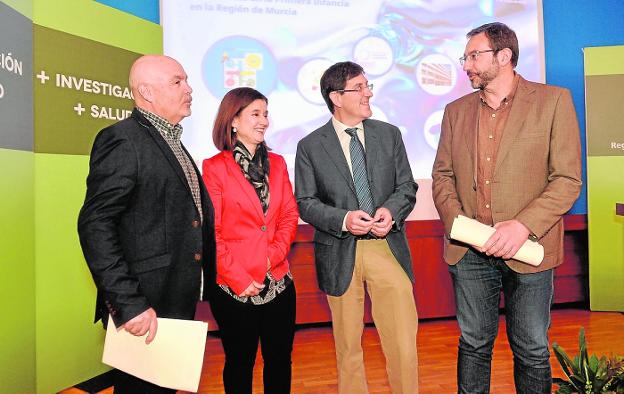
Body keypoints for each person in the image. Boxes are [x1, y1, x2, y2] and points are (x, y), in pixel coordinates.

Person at [431, 22, 582, 393]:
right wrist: (459, 224)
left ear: (504, 56)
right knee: (473, 345)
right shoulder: (455, 111)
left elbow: (567, 181)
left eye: (473, 56)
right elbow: (442, 176)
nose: (465, 65)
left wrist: (521, 226)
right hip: (469, 252)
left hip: (529, 248)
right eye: (464, 57)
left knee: (531, 348)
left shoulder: (553, 101)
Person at [77, 55, 216, 393]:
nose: (190, 89)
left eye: (186, 80)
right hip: (145, 305)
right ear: (146, 92)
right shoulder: (122, 139)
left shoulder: (171, 140)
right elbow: (96, 224)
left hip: (173, 300)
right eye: (177, 81)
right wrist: (130, 305)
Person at [295, 61, 419, 393]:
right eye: (359, 87)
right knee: (348, 348)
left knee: (404, 344)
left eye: (368, 85)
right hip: (339, 251)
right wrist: (344, 219)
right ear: (336, 97)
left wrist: (391, 212)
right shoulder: (310, 145)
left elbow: (407, 187)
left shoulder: (389, 135)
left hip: (386, 246)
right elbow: (305, 202)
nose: (368, 93)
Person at [202, 87, 299, 394]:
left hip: (279, 280)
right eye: (255, 114)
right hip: (233, 286)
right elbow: (210, 231)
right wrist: (238, 276)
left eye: (266, 114)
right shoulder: (214, 168)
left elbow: (288, 214)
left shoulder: (279, 163)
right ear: (233, 121)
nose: (264, 121)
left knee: (280, 361)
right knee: (239, 363)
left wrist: (273, 256)